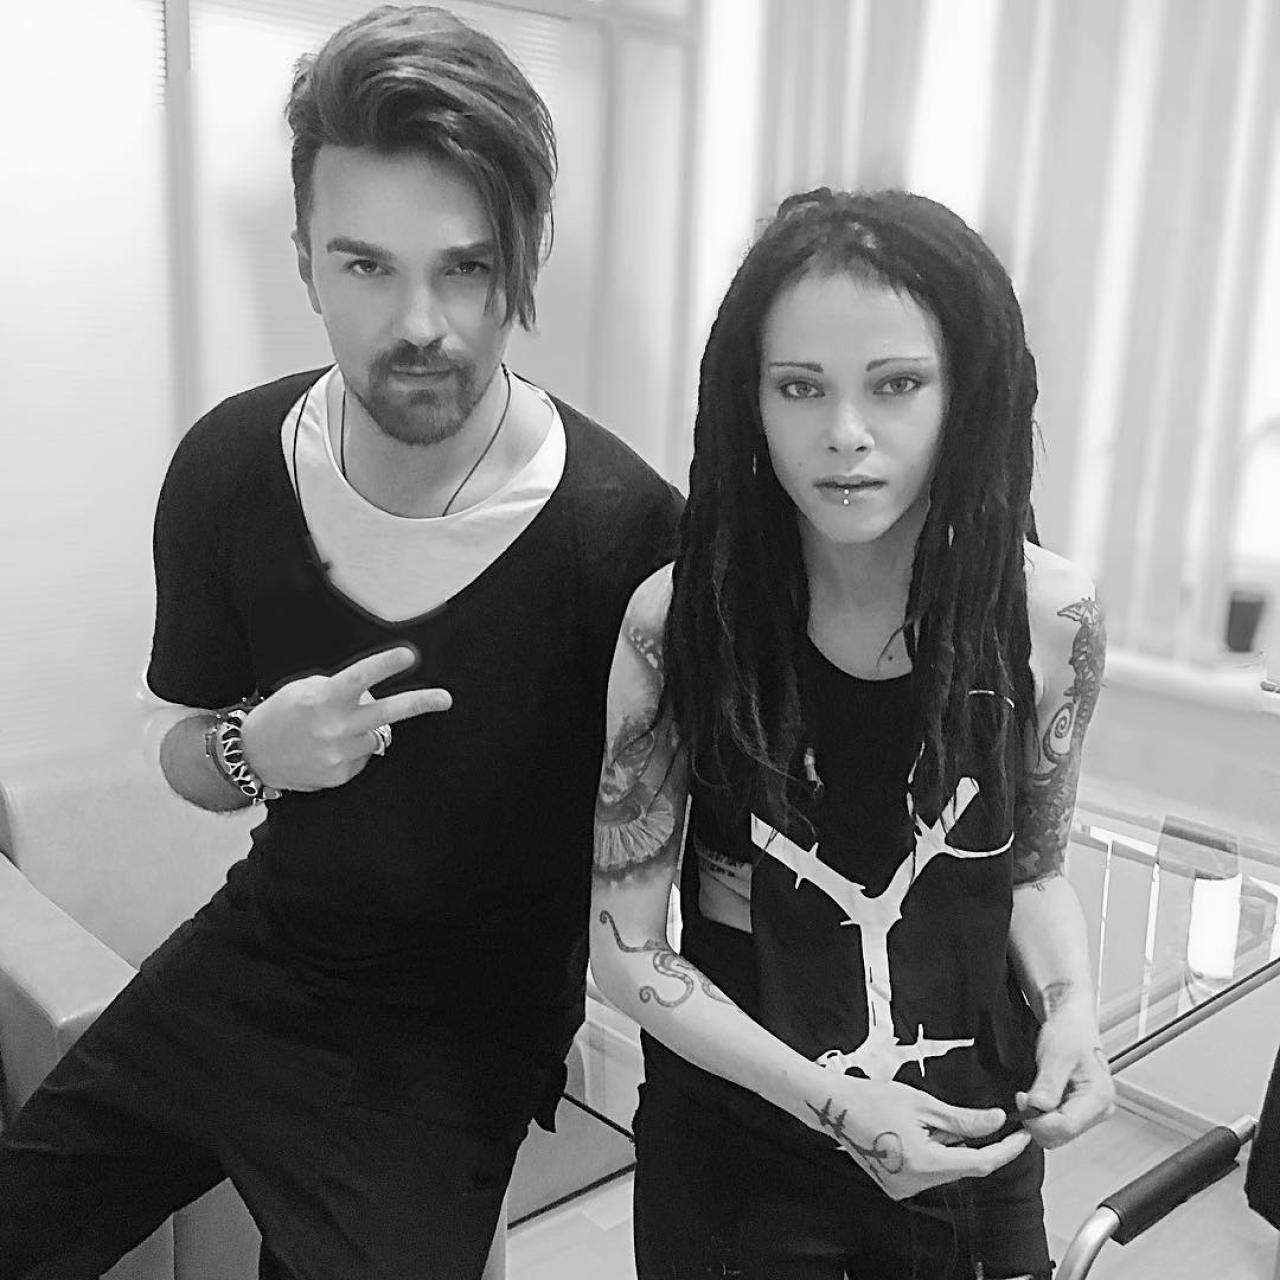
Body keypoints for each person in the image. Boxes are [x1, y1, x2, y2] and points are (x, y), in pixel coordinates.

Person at [0, 6, 680, 1278]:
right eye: (367, 265)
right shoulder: (229, 469)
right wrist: (253, 751)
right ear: (306, 261)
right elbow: (178, 747)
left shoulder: (623, 536)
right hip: (259, 960)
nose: (419, 322)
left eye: (465, 267)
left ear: (524, 257)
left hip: (455, 1041)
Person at [590, 188, 1115, 1280]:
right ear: (749, 399)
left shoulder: (1048, 618)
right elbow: (626, 949)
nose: (844, 433)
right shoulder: (679, 623)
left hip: (971, 1127)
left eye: (896, 384)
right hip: (741, 1130)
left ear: (964, 391)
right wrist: (833, 1101)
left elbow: (1028, 869)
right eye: (799, 386)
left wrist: (1071, 1013)